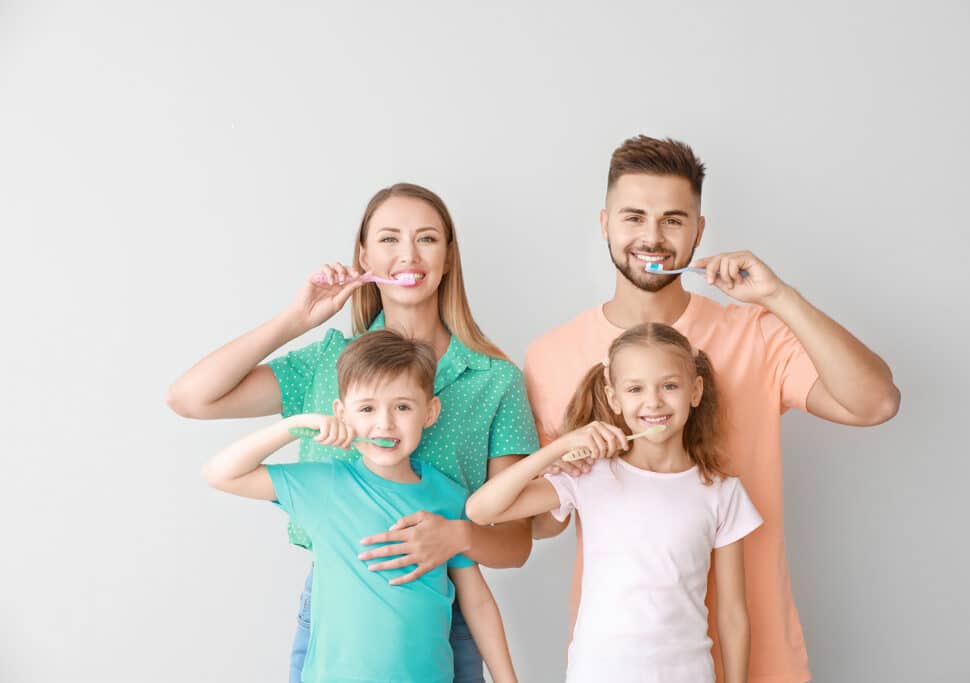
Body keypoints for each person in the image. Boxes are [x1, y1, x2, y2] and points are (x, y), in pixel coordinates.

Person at [524, 135, 900, 683]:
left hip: (762, 659)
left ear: (699, 231)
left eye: (674, 220)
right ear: (605, 223)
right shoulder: (551, 355)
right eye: (634, 217)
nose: (652, 236)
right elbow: (542, 525)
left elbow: (877, 403)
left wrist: (778, 297)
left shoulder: (754, 334)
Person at [167, 183, 539, 682]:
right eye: (389, 239)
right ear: (363, 256)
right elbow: (190, 398)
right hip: (338, 622)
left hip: (445, 621)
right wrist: (295, 319)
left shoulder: (496, 381)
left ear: (449, 257)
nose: (408, 253)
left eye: (427, 239)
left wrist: (455, 536)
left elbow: (516, 545)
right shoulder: (328, 363)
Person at [203, 330, 517, 683]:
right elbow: (221, 474)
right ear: (342, 413)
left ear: (429, 412)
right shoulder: (322, 485)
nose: (385, 423)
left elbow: (476, 601)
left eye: (402, 407)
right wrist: (292, 427)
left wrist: (508, 679)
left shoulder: (449, 497)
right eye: (367, 408)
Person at [468, 323, 760, 682]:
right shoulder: (589, 476)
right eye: (635, 389)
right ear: (613, 396)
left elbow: (733, 615)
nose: (653, 401)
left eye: (669, 386)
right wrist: (559, 448)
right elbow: (481, 510)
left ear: (695, 391)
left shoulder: (721, 492)